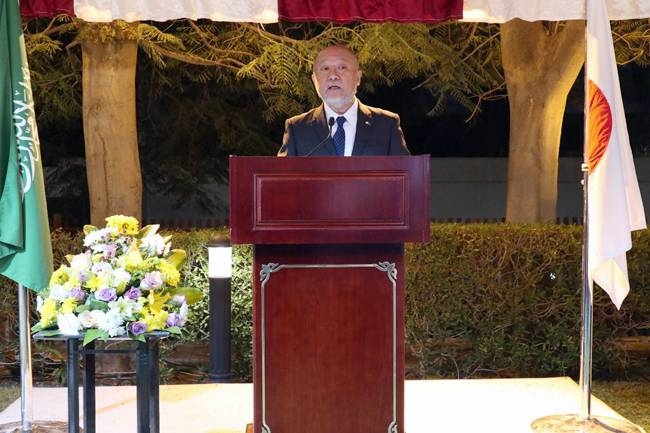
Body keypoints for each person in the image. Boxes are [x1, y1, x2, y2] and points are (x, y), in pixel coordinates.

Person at [277, 45, 410, 156]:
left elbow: (405, 180)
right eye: (325, 68)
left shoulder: (386, 125)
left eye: (342, 67)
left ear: (358, 78)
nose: (333, 76)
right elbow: (281, 182)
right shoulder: (297, 128)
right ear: (314, 80)